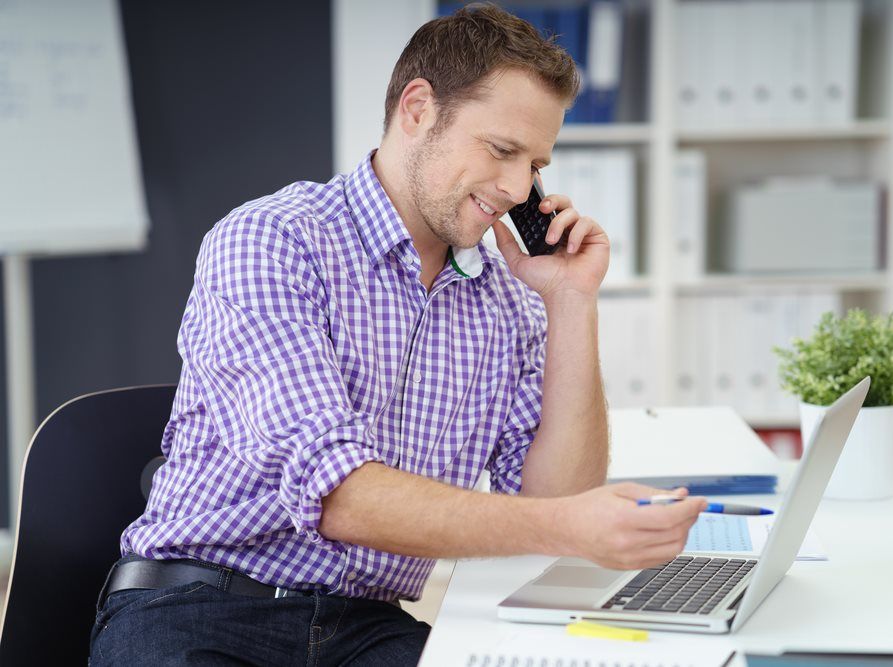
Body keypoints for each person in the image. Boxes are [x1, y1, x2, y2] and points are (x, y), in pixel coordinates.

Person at [89, 4, 706, 665]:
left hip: (366, 627)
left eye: (536, 164)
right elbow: (340, 497)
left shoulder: (509, 303)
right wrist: (572, 524)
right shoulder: (272, 241)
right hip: (204, 608)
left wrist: (571, 303)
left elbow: (553, 504)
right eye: (502, 150)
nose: (517, 187)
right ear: (417, 110)